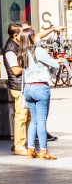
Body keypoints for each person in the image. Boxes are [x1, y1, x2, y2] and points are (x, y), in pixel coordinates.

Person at [19, 31, 59, 160]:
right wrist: (57, 61)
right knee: (41, 121)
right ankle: (43, 150)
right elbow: (55, 64)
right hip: (40, 87)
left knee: (34, 121)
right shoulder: (38, 51)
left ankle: (30, 148)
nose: (37, 37)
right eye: (35, 35)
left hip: (29, 88)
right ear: (31, 38)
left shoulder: (22, 52)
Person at [3, 23, 30, 155]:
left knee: (27, 116)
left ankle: (21, 143)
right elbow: (16, 70)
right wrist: (29, 61)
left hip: (23, 85)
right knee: (21, 116)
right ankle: (19, 146)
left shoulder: (18, 46)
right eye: (22, 32)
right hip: (18, 86)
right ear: (15, 35)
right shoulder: (10, 50)